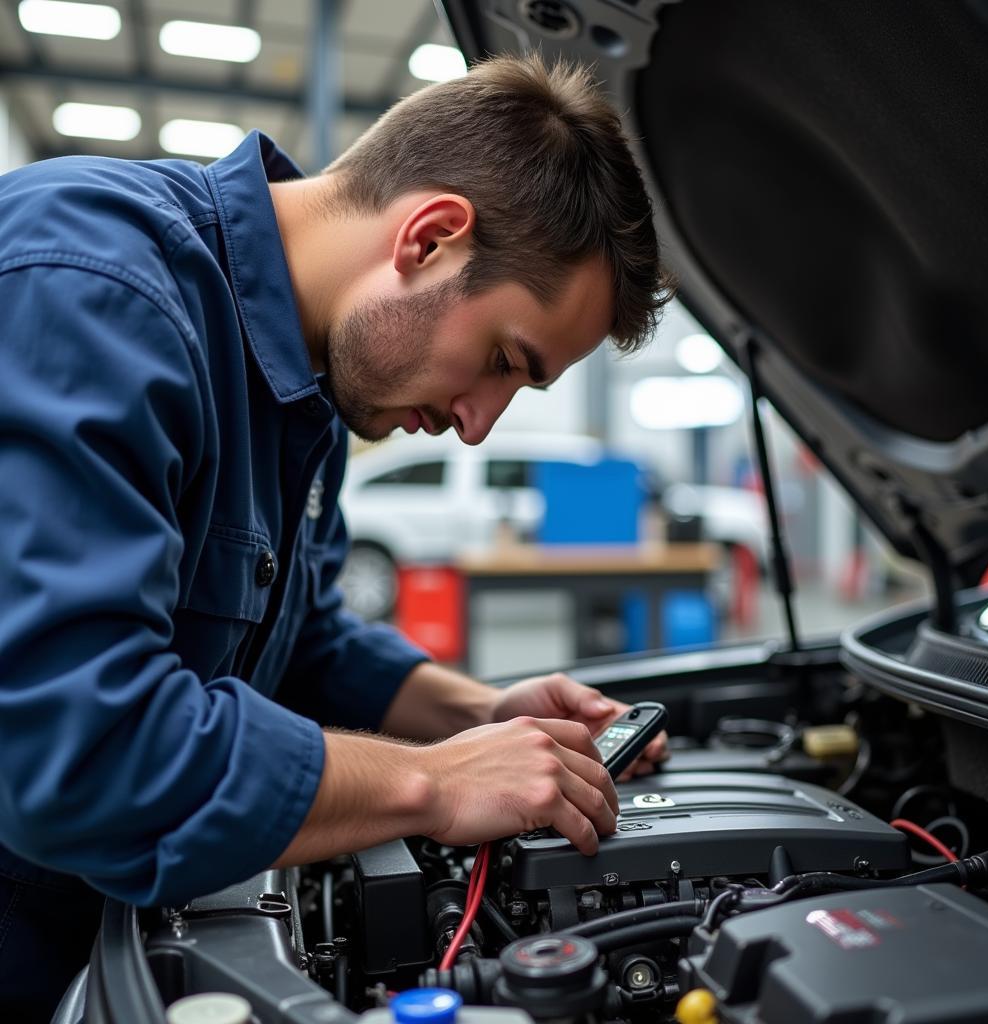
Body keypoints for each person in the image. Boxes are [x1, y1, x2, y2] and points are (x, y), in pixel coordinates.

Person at [0, 54, 671, 1019]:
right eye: (501, 362)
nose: (479, 425)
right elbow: (84, 746)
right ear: (431, 237)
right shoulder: (94, 290)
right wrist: (428, 783)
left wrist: (478, 717)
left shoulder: (309, 394)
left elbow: (301, 639)